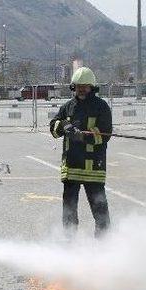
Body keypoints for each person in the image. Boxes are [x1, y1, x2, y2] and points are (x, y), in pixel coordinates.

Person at [49, 67, 113, 237]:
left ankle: (104, 243)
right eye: (78, 86)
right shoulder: (68, 107)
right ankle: (69, 241)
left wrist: (83, 137)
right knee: (69, 209)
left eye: (85, 86)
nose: (81, 89)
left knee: (100, 208)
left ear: (92, 87)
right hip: (71, 167)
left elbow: (105, 134)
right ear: (73, 87)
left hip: (93, 167)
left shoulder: (101, 107)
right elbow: (54, 127)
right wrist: (63, 126)